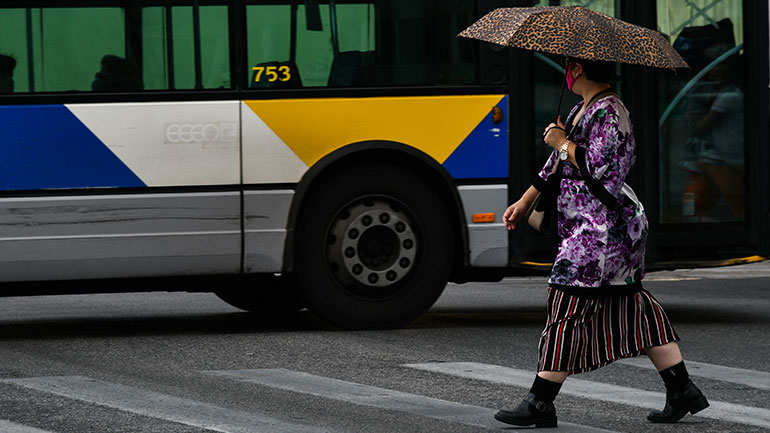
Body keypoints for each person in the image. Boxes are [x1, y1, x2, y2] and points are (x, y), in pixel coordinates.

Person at [497, 57, 709, 428]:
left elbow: (603, 174)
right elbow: (554, 167)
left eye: (567, 66)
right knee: (633, 308)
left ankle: (540, 402)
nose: (565, 71)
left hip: (603, 233)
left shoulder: (612, 113)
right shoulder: (584, 108)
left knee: (565, 304)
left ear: (577, 69)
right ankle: (682, 390)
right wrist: (524, 201)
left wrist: (563, 143)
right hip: (588, 228)